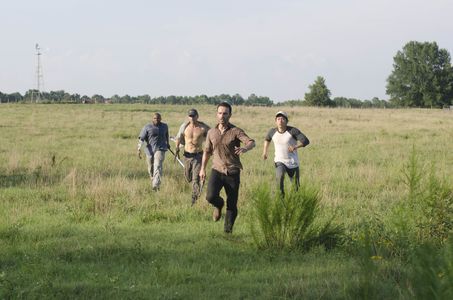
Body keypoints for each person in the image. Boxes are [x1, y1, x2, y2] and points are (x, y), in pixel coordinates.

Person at [199, 102, 255, 233]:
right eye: (220, 113)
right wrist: (202, 169)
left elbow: (251, 142)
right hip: (217, 170)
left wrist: (245, 148)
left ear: (230, 115)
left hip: (232, 172)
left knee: (232, 204)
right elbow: (207, 151)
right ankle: (219, 205)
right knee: (210, 197)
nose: (222, 116)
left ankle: (227, 232)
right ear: (216, 114)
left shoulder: (236, 131)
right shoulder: (211, 132)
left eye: (225, 113)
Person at [262, 111, 310, 196]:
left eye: (283, 119)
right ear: (275, 121)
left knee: (296, 188)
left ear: (286, 121)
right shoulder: (272, 132)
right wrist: (265, 152)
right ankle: (280, 199)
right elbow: (267, 140)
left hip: (293, 163)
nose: (280, 121)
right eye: (278, 119)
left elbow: (306, 141)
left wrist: (295, 147)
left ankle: (295, 202)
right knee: (279, 177)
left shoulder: (293, 131)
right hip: (279, 161)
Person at [175, 108, 210, 205]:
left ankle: (194, 199)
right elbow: (178, 137)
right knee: (188, 177)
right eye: (190, 116)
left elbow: (212, 136)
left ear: (197, 116)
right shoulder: (184, 127)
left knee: (195, 179)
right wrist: (177, 149)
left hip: (198, 156)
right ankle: (193, 186)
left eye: (194, 116)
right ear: (188, 117)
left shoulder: (203, 128)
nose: (192, 118)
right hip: (186, 155)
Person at [137, 112, 170, 191]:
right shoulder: (147, 127)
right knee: (150, 167)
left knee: (158, 166)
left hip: (160, 149)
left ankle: (156, 186)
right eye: (155, 118)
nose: (157, 120)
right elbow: (141, 138)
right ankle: (153, 179)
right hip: (149, 150)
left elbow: (166, 135)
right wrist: (138, 149)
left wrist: (168, 144)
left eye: (158, 118)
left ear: (161, 119)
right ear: (152, 119)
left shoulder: (164, 126)